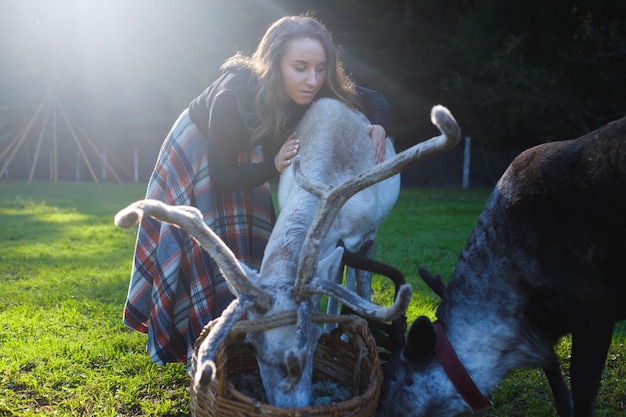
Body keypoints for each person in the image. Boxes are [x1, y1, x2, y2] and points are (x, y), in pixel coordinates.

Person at [122, 14, 391, 368]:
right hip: (202, 151)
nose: (312, 80)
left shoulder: (315, 85)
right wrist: (273, 166)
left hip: (251, 158)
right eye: (300, 67)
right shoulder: (233, 95)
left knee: (252, 251)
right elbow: (221, 176)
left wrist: (379, 126)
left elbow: (371, 97)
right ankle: (205, 351)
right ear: (275, 63)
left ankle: (249, 342)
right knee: (206, 250)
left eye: (320, 68)